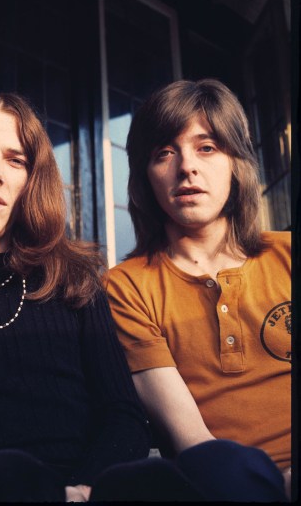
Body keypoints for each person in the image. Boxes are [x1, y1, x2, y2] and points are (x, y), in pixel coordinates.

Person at [0, 92, 152, 502]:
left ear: (33, 179)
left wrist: (83, 488)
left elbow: (122, 416)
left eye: (15, 160)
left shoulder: (75, 279)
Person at [105, 79, 291, 501]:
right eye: (164, 153)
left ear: (235, 163)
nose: (186, 166)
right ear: (146, 176)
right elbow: (191, 440)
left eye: (206, 147)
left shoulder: (289, 256)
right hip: (223, 480)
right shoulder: (128, 285)